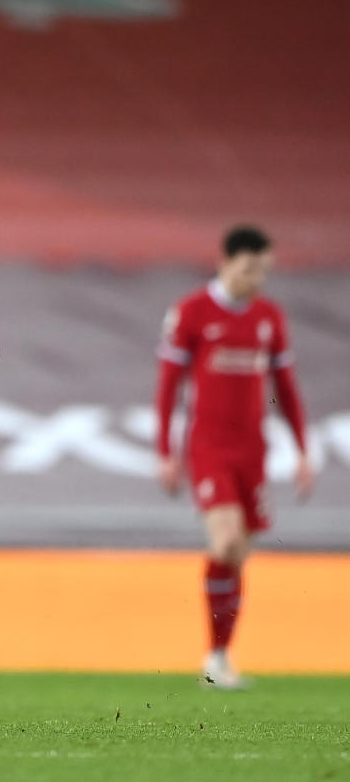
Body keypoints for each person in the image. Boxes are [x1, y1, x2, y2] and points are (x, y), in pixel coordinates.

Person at [155, 226, 313, 689]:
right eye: (249, 269)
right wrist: (165, 450)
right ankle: (215, 656)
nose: (257, 278)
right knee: (225, 542)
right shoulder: (192, 312)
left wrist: (303, 450)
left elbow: (285, 387)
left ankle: (219, 656)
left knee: (239, 555)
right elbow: (168, 384)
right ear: (225, 262)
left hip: (253, 450)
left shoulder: (269, 317)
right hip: (209, 447)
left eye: (264, 269)